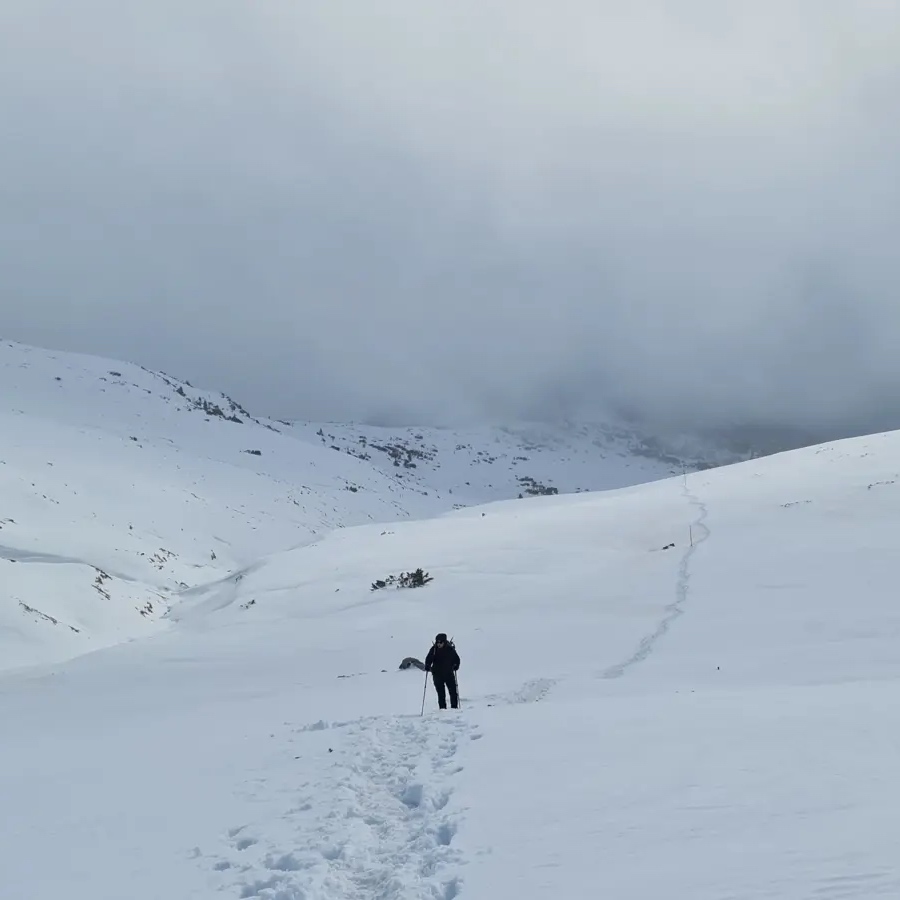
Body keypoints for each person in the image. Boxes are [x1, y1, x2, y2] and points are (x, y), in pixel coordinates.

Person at [424, 633, 460, 709]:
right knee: (441, 693)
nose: (439, 644)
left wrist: (456, 665)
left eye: (441, 642)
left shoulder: (450, 649)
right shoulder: (433, 649)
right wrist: (427, 665)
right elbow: (428, 659)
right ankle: (442, 710)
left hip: (448, 674)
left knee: (453, 692)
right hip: (437, 674)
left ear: (445, 642)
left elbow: (457, 659)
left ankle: (454, 708)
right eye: (437, 642)